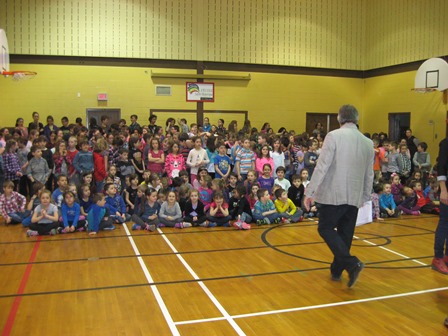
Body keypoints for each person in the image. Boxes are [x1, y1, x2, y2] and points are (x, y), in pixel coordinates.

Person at [304, 105, 374, 288]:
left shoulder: (333, 136)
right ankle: (336, 270)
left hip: (333, 194)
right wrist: (366, 195)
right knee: (345, 235)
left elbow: (322, 166)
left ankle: (352, 264)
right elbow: (370, 173)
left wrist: (310, 191)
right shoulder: (368, 142)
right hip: (355, 195)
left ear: (339, 118)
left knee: (325, 228)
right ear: (356, 119)